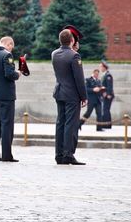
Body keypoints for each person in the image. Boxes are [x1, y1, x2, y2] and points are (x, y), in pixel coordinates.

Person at [51, 27, 87, 165]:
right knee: (70, 125)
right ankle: (68, 154)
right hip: (72, 95)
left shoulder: (54, 53)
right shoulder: (74, 56)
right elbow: (79, 79)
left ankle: (59, 154)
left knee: (60, 123)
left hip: (59, 92)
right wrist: (84, 97)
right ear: (72, 41)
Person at [0, 36, 22, 162]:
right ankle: (7, 155)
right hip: (6, 95)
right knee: (7, 125)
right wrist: (18, 73)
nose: (12, 48)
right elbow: (9, 74)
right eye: (11, 46)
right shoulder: (7, 55)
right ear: (9, 44)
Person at [100, 60, 114, 129]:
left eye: (101, 67)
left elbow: (109, 86)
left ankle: (107, 125)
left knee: (106, 110)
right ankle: (105, 124)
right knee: (105, 110)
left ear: (104, 67)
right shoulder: (105, 75)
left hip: (108, 96)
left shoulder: (108, 75)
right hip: (104, 95)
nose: (100, 68)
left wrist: (108, 94)